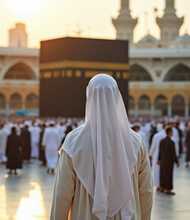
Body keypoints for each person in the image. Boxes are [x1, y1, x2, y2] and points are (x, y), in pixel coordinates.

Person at [50, 74, 153, 219]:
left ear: (90, 96)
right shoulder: (136, 141)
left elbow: (62, 194)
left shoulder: (73, 142)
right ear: (117, 97)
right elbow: (146, 191)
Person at [157, 127, 179, 195]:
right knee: (169, 175)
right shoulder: (171, 142)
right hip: (169, 161)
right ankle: (168, 189)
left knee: (162, 174)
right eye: (172, 132)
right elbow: (173, 153)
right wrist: (176, 162)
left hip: (163, 160)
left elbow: (160, 151)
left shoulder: (162, 141)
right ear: (169, 132)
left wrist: (159, 159)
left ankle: (162, 187)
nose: (172, 133)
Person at [149, 123, 166, 191]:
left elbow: (153, 146)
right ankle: (163, 185)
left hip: (156, 154)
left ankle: (158, 185)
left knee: (156, 170)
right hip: (165, 155)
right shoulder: (168, 135)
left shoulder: (156, 135)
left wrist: (150, 154)